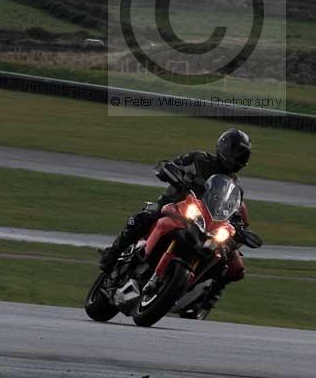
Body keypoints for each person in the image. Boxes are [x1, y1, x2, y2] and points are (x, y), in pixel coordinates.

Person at [99, 128, 252, 309]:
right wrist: (169, 170)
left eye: (242, 156)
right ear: (224, 147)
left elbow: (234, 213)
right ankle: (111, 255)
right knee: (143, 218)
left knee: (221, 257)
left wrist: (240, 229)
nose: (237, 159)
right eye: (236, 153)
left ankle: (194, 296)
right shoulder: (199, 159)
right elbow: (172, 164)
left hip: (203, 225)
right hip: (174, 205)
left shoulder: (235, 188)